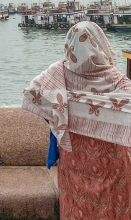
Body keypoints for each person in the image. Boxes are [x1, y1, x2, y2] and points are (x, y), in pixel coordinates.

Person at [22, 21, 131, 219]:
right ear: (100, 43)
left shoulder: (58, 73)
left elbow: (31, 93)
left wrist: (61, 111)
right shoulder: (115, 77)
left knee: (77, 207)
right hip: (113, 159)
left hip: (75, 158)